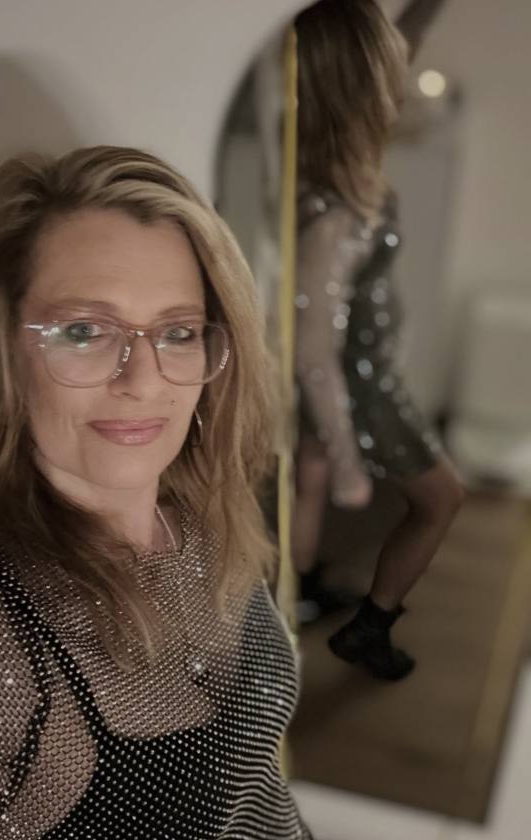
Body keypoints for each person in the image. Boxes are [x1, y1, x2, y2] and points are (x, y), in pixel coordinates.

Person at [0, 146, 313, 839]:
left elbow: (259, 791)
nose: (142, 380)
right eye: (84, 331)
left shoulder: (206, 521)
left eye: (177, 332)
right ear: (5, 349)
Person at [292, 0, 464, 680]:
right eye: (389, 74)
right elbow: (314, 349)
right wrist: (350, 462)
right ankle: (372, 625)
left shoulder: (338, 157)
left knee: (306, 474)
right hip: (359, 381)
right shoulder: (338, 207)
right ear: (361, 87)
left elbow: (403, 39)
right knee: (442, 497)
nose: (401, 85)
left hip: (357, 370)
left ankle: (301, 592)